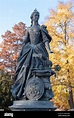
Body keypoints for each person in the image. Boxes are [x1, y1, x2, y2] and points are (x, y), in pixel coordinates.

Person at [11, 9, 54, 100]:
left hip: (39, 49)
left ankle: (40, 89)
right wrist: (22, 50)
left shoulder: (41, 28)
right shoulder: (29, 29)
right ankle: (23, 90)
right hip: (29, 50)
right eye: (35, 15)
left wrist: (49, 50)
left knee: (38, 68)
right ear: (32, 17)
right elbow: (26, 40)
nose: (37, 17)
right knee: (25, 67)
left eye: (38, 16)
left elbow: (45, 40)